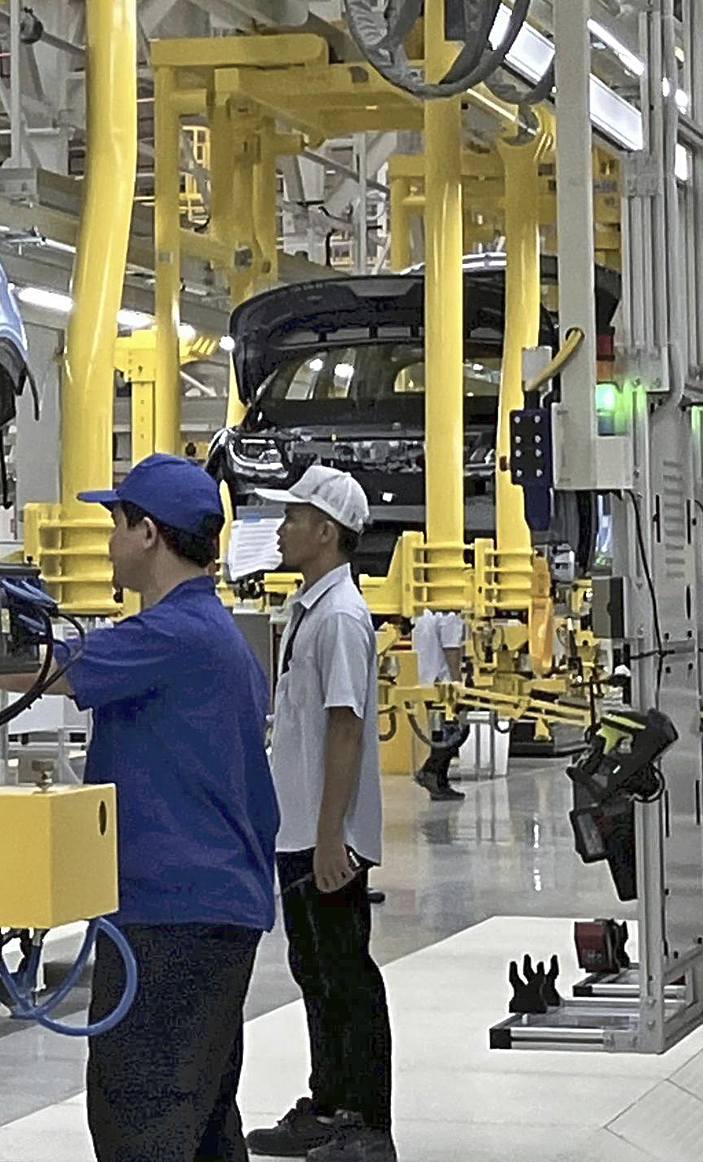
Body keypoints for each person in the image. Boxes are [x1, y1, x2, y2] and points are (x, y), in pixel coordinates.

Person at [60, 452, 280, 1162]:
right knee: (204, 1127)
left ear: (148, 532)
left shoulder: (172, 635)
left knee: (142, 1123)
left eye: (115, 522)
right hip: (209, 911)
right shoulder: (211, 634)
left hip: (172, 918)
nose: (108, 540)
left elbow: (50, 669)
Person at [245, 465, 394, 1162]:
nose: (281, 528)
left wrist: (334, 834)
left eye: (293, 517)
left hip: (324, 836)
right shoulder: (311, 607)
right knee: (316, 972)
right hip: (301, 828)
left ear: (326, 532)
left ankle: (367, 1124)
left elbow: (346, 727)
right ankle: (330, 1102)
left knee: (345, 975)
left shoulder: (339, 617)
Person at [408, 610, 468, 802]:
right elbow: (451, 648)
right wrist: (458, 682)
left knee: (440, 733)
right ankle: (431, 772)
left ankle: (438, 780)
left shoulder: (422, 611)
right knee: (456, 731)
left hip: (424, 680)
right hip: (443, 684)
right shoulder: (451, 613)